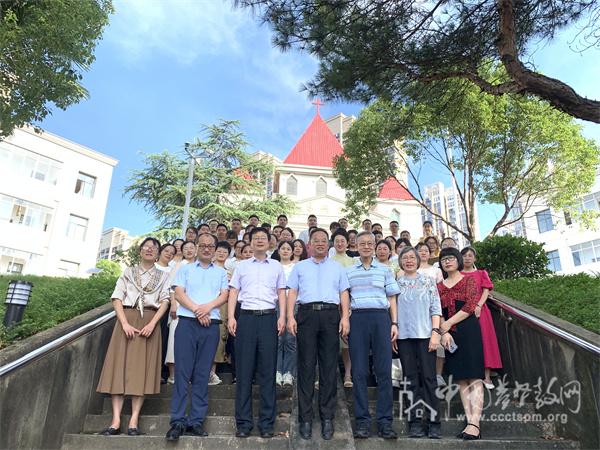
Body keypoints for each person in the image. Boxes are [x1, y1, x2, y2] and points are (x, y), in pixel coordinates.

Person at [97, 237, 170, 436]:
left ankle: (134, 420)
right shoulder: (128, 272)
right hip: (126, 320)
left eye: (154, 248)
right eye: (146, 247)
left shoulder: (164, 276)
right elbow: (117, 298)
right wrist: (124, 323)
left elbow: (165, 301)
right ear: (140, 251)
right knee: (117, 369)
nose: (149, 250)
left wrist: (153, 323)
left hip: (149, 320)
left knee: (141, 372)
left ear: (158, 254)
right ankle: (115, 420)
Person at [287, 228, 350, 441]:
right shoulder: (300, 267)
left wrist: (345, 318)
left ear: (329, 244)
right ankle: (305, 418)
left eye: (324, 240)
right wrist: (290, 317)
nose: (320, 244)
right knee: (305, 366)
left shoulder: (337, 267)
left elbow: (343, 293)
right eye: (316, 241)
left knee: (329, 366)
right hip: (306, 314)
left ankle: (327, 417)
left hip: (331, 315)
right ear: (309, 245)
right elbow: (292, 292)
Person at [165, 233, 229, 441]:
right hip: (187, 324)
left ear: (215, 249)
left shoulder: (220, 272)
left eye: (211, 246)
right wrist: (197, 310)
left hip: (211, 325)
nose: (207, 249)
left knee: (203, 373)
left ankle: (196, 421)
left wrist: (206, 310)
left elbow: (224, 295)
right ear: (197, 247)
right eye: (203, 245)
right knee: (182, 373)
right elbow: (179, 294)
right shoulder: (185, 269)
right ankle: (177, 421)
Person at [227, 227, 287, 439]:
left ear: (269, 242)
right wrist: (231, 317)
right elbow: (233, 291)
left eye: (263, 238)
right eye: (256, 238)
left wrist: (282, 317)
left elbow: (281, 292)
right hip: (247, 318)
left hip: (269, 317)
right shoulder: (242, 266)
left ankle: (266, 423)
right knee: (244, 372)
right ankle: (243, 423)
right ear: (250, 242)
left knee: (267, 371)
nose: (260, 241)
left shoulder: (277, 266)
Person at [347, 231, 399, 440]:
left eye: (370, 243)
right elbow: (344, 298)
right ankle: (362, 422)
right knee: (359, 372)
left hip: (381, 318)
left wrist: (394, 322)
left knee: (384, 371)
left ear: (376, 246)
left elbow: (392, 298)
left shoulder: (385, 270)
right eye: (362, 243)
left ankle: (385, 422)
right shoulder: (348, 271)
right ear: (357, 246)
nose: (366, 246)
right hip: (357, 319)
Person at [394, 246, 443, 438]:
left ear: (417, 260)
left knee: (429, 379)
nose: (408, 260)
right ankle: (414, 421)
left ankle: (434, 422)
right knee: (409, 379)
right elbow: (392, 310)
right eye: (404, 258)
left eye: (411, 257)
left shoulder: (428, 281)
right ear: (400, 262)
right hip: (404, 337)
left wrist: (435, 332)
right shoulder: (396, 283)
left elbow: (435, 308)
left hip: (426, 336)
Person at [437, 247, 484, 440]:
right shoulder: (438, 286)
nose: (447, 262)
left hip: (468, 330)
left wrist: (448, 324)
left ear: (457, 260)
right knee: (461, 379)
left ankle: (475, 423)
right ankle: (469, 421)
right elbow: (436, 309)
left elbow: (470, 305)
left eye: (450, 258)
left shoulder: (469, 280)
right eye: (444, 259)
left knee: (474, 377)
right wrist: (444, 330)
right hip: (449, 335)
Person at [461, 247, 502, 389]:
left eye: (470, 255)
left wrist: (478, 306)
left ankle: (487, 377)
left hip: (481, 311)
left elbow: (485, 291)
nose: (467, 258)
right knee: (468, 344)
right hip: (463, 312)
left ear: (475, 258)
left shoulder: (481, 273)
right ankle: (472, 377)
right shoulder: (457, 275)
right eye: (464, 255)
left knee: (486, 341)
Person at [165, 240, 197, 383]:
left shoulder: (199, 266)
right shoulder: (180, 265)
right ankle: (173, 374)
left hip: (195, 307)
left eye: (192, 248)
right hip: (178, 306)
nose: (189, 250)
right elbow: (172, 287)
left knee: (190, 342)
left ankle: (186, 374)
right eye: (186, 248)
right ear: (182, 251)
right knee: (174, 339)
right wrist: (173, 304)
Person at [328, 229, 354, 388]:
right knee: (330, 342)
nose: (339, 243)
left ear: (347, 242)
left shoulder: (353, 261)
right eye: (336, 241)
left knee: (346, 343)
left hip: (349, 304)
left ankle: (348, 374)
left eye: (342, 241)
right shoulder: (328, 261)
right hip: (331, 305)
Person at [271, 240, 297, 386]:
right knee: (278, 339)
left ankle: (288, 373)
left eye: (288, 249)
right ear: (278, 250)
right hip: (276, 303)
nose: (286, 251)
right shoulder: (273, 266)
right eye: (283, 248)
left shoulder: (297, 267)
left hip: (293, 304)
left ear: (292, 252)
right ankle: (277, 371)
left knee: (290, 339)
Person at [209, 241, 233, 386]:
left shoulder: (229, 273)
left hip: (222, 306)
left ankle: (212, 372)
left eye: (225, 252)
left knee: (219, 337)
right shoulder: (206, 268)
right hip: (205, 304)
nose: (221, 253)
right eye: (219, 250)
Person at [155, 243, 175, 383]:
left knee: (162, 339)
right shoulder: (152, 266)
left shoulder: (173, 269)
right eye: (166, 251)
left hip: (166, 307)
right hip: (150, 306)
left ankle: (159, 373)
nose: (168, 254)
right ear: (160, 251)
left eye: (172, 253)